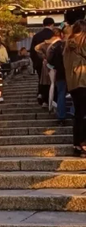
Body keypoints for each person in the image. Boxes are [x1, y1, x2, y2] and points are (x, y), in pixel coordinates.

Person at [63, 20, 86, 157]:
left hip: (72, 83)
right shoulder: (83, 41)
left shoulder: (67, 44)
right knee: (84, 114)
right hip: (83, 80)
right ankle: (84, 143)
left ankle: (77, 144)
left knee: (78, 114)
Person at [30, 17, 55, 105]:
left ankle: (42, 96)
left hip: (40, 62)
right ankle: (51, 99)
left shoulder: (37, 36)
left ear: (43, 25)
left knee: (42, 79)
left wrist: (36, 63)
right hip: (53, 63)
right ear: (52, 24)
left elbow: (32, 52)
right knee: (52, 81)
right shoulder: (55, 35)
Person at [48, 27, 69, 125]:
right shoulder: (76, 45)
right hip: (75, 73)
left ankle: (61, 116)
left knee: (61, 94)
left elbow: (50, 60)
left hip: (60, 72)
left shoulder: (56, 46)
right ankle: (76, 113)